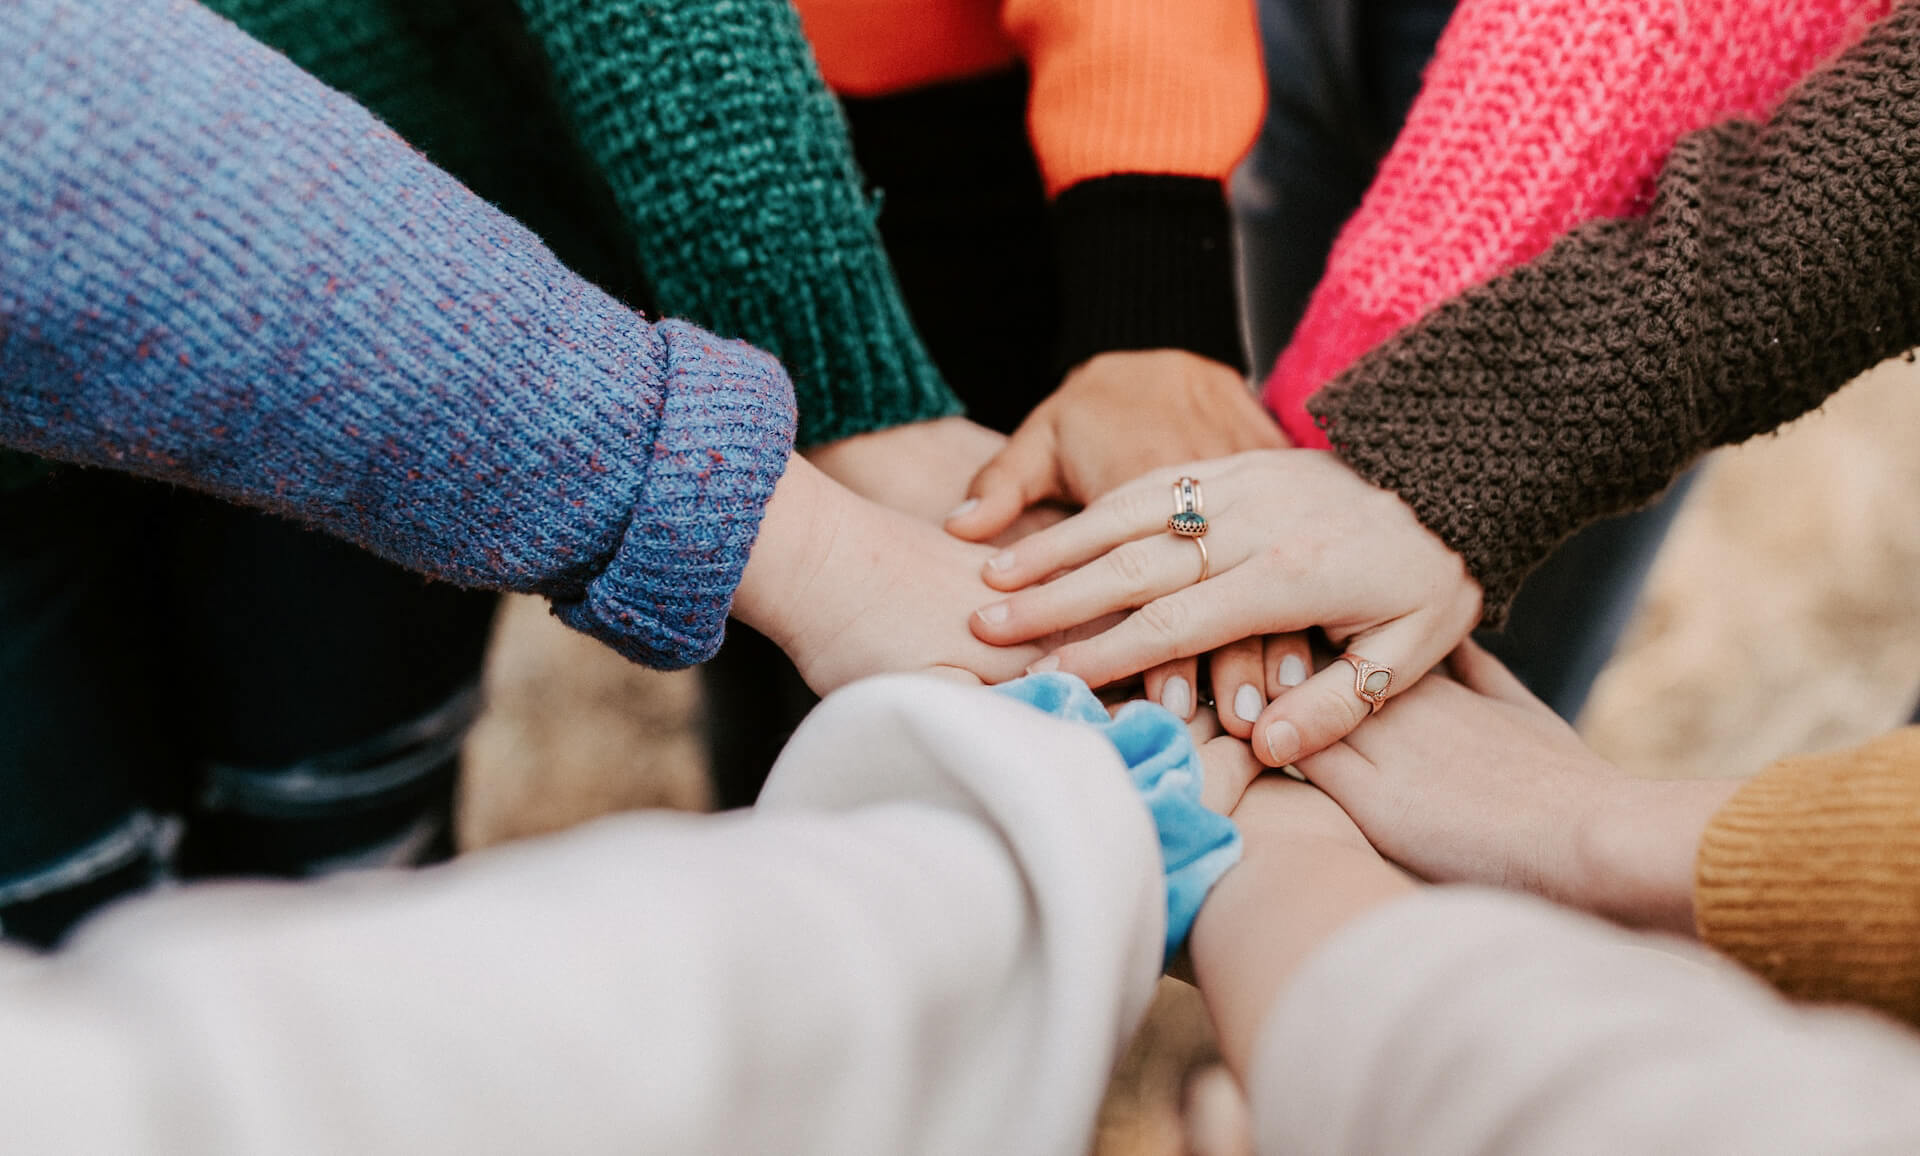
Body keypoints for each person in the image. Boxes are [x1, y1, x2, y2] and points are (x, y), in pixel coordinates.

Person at [0, 0, 1039, 943]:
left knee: (343, 879)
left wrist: (848, 394)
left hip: (399, 329)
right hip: (411, 336)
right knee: (59, 935)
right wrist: (785, 518)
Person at [970, 0, 1920, 768]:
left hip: (1646, 94)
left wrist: (1475, 435)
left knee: (1396, 727)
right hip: (1282, 30)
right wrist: (1152, 297)